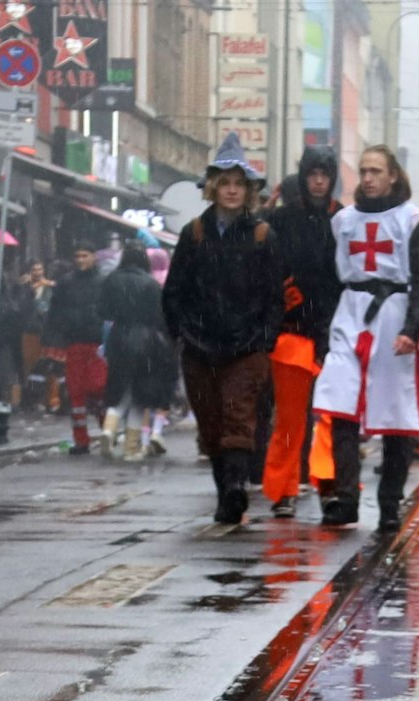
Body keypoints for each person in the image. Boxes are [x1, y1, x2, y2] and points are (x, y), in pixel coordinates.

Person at [311, 144, 419, 532]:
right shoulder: (342, 220)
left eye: (376, 171)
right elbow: (328, 277)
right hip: (351, 315)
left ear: (393, 175)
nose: (367, 178)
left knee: (396, 415)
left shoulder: (414, 221)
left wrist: (411, 330)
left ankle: (389, 502)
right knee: (341, 405)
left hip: (394, 317)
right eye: (363, 170)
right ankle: (346, 498)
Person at [162, 132, 283, 526]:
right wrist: (180, 332)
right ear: (214, 187)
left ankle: (235, 487)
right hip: (200, 346)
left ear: (248, 190)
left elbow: (273, 296)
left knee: (238, 415)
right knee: (211, 421)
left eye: (239, 184)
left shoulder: (262, 235)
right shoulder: (193, 234)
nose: (232, 191)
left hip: (246, 348)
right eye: (225, 183)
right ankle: (224, 491)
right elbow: (174, 290)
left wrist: (264, 339)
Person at [261, 146, 343, 518]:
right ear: (304, 176)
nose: (319, 181)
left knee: (328, 417)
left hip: (334, 332)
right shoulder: (280, 221)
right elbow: (267, 270)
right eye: (313, 174)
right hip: (292, 330)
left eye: (325, 174)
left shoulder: (343, 219)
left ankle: (327, 484)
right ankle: (284, 489)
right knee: (291, 419)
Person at [99, 244, 173, 460]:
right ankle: (131, 449)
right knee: (140, 393)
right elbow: (159, 316)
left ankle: (109, 426)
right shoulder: (150, 283)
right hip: (145, 341)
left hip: (118, 337)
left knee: (119, 385)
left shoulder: (112, 279)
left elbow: (102, 311)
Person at [46, 239, 108, 433]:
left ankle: (105, 425)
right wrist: (52, 339)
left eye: (85, 256)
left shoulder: (104, 281)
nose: (81, 260)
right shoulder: (66, 283)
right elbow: (55, 311)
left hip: (98, 343)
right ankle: (81, 439)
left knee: (98, 386)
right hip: (74, 342)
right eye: (77, 256)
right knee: (75, 390)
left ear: (93, 257)